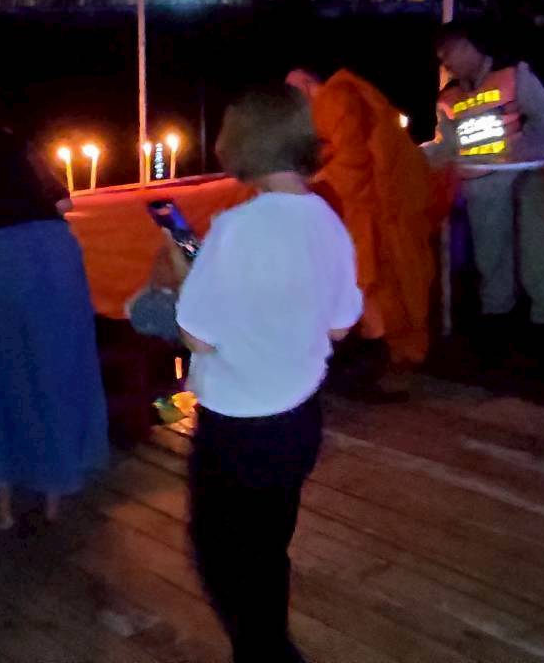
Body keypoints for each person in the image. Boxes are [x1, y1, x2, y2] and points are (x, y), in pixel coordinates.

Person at [176, 85, 363, 663]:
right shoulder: (327, 220)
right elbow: (340, 326)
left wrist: (184, 274)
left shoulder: (235, 229)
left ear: (241, 144)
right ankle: (271, 647)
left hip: (236, 425)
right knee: (267, 548)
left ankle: (266, 654)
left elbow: (198, 336)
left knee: (219, 551)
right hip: (299, 420)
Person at [0, 97, 109, 530]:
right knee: (55, 373)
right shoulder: (18, 145)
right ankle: (53, 501)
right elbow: (63, 203)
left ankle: (2, 509)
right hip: (55, 252)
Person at [423, 22, 544, 365]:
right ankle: (496, 327)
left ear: (469, 45)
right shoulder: (449, 98)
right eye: (441, 57)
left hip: (526, 177)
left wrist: (530, 159)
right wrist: (407, 157)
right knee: (490, 257)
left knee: (537, 252)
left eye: (449, 53)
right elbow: (446, 147)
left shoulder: (515, 76)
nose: (446, 63)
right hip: (482, 187)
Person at [286, 66, 434, 400]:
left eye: (294, 91)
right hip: (363, 206)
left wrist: (315, 180)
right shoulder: (326, 107)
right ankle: (376, 363)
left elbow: (354, 161)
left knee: (371, 282)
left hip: (376, 204)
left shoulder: (338, 97)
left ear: (308, 84)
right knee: (367, 282)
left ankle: (378, 365)